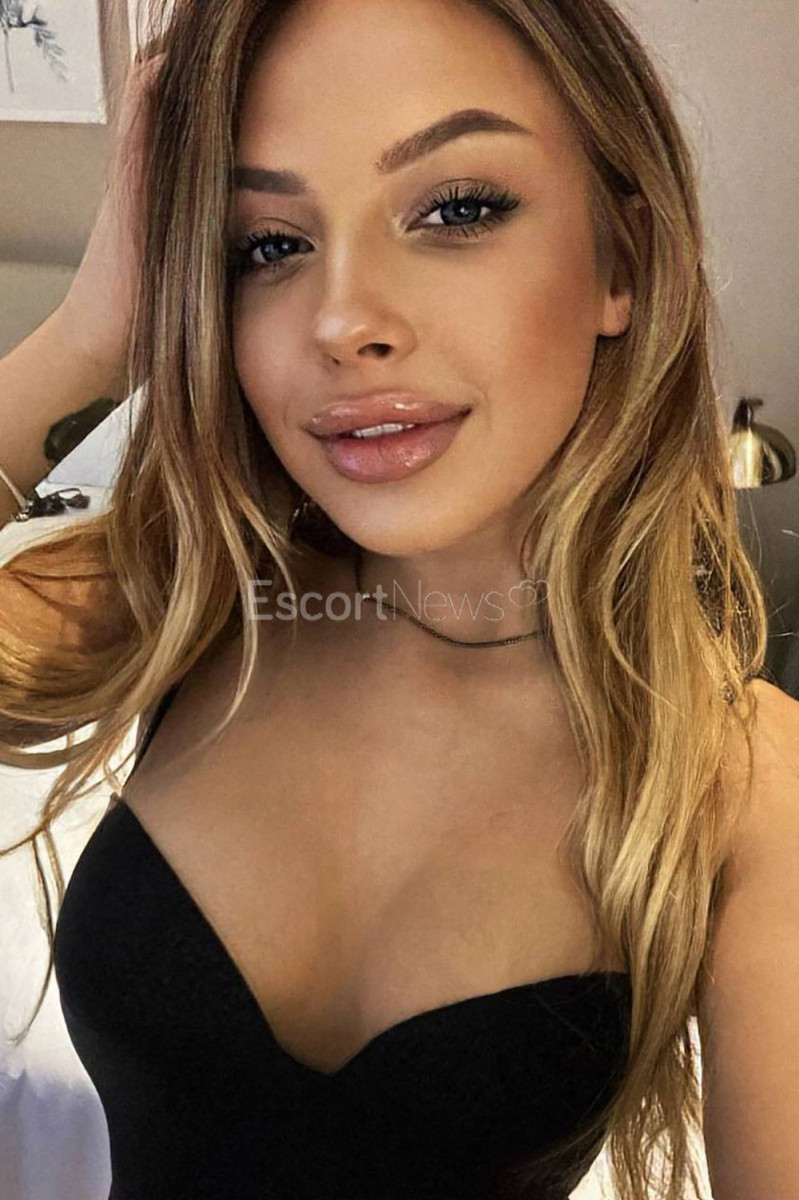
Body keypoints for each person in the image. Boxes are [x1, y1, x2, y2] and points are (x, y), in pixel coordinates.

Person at [0, 0, 797, 1197]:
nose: (342, 323)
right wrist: (89, 332)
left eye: (457, 209)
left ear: (621, 263)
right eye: (266, 245)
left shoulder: (745, 788)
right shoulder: (188, 602)